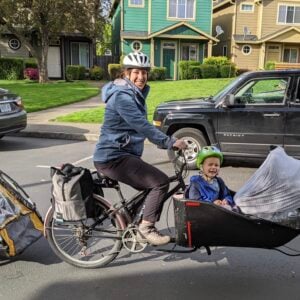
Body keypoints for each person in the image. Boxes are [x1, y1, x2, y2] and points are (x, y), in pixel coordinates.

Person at [93, 52, 187, 246]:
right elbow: (141, 125)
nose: (141, 77)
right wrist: (168, 142)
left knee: (150, 186)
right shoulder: (121, 96)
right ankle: (146, 228)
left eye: (144, 72)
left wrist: (170, 138)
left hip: (123, 154)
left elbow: (145, 124)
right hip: (113, 157)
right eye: (136, 72)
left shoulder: (133, 92)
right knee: (159, 182)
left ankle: (134, 225)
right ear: (126, 73)